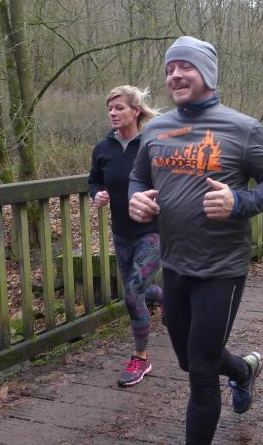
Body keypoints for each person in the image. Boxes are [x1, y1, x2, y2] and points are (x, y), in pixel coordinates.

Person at [128, 36, 263, 445]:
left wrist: (240, 201)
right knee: (189, 360)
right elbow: (138, 177)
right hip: (174, 263)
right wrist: (137, 198)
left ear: (208, 73)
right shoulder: (156, 129)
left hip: (221, 268)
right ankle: (243, 370)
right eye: (169, 69)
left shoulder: (242, 128)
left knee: (201, 372)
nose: (175, 75)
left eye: (185, 67)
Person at [88, 86, 163, 387]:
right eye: (110, 108)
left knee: (132, 292)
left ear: (136, 111)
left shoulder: (151, 145)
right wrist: (97, 194)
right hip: (121, 233)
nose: (113, 113)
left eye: (119, 107)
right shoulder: (102, 149)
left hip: (152, 231)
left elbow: (169, 183)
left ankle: (140, 358)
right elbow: (94, 180)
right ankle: (168, 299)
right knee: (140, 290)